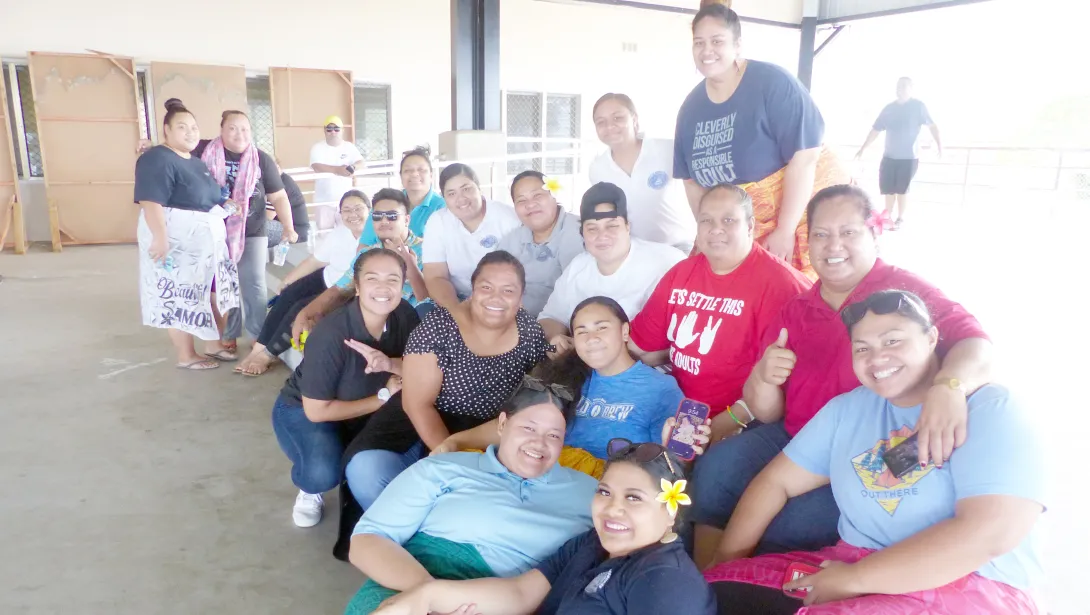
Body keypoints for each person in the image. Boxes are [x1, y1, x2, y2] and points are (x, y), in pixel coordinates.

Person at [689, 184, 992, 568]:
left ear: (873, 234)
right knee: (717, 470)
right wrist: (764, 378)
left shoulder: (904, 293)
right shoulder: (797, 308)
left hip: (874, 449)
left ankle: (746, 581)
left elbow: (977, 344)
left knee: (786, 524)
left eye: (848, 233)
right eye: (821, 235)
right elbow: (765, 411)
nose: (833, 246)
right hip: (796, 434)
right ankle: (706, 579)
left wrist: (950, 388)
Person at [706, 290, 1045, 615]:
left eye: (893, 341)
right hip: (852, 562)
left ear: (931, 338)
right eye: (862, 348)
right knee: (708, 591)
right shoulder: (847, 410)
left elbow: (989, 534)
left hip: (971, 585)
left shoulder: (991, 408)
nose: (877, 358)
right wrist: (726, 558)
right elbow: (775, 482)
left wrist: (856, 579)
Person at [344, 374, 597, 614]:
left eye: (553, 435)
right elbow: (368, 539)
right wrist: (432, 596)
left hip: (510, 600)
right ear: (502, 424)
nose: (539, 443)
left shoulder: (590, 492)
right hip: (412, 580)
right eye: (529, 428)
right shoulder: (443, 468)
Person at [371, 440, 716, 615]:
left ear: (671, 512)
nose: (613, 508)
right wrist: (425, 597)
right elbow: (520, 593)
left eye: (635, 498)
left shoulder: (666, 580)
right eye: (605, 492)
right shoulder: (591, 544)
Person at [341, 250, 550, 510]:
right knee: (368, 472)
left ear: (521, 297)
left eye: (508, 290)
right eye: (486, 287)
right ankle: (397, 539)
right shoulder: (438, 328)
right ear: (473, 290)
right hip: (421, 424)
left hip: (487, 434)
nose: (496, 297)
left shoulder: (529, 331)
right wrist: (453, 461)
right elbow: (417, 405)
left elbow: (538, 398)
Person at [433, 296, 706, 478]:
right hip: (539, 474)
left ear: (625, 332)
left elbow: (670, 468)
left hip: (600, 489)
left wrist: (678, 448)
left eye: (601, 328)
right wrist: (457, 441)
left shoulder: (660, 389)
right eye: (582, 331)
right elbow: (518, 425)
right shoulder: (563, 376)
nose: (592, 338)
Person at [674, 2, 849, 277]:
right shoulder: (690, 109)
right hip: (736, 228)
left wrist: (785, 230)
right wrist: (709, 230)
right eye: (699, 42)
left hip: (796, 219)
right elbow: (690, 181)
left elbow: (805, 158)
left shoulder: (772, 83)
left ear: (738, 45)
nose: (707, 50)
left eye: (717, 41)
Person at [627, 184, 811, 438]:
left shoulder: (782, 286)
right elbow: (639, 346)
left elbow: (776, 388)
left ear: (750, 227)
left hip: (742, 419)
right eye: (706, 220)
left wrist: (718, 429)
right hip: (673, 406)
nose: (716, 229)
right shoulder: (681, 273)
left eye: (728, 219)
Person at [270, 248, 420, 528]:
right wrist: (381, 398)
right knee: (323, 472)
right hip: (304, 410)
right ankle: (309, 488)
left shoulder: (404, 314)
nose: (383, 288)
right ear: (358, 285)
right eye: (372, 278)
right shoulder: (331, 334)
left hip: (367, 404)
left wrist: (389, 363)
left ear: (403, 285)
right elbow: (316, 410)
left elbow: (418, 366)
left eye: (392, 279)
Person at [133, 99, 239, 370]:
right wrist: (160, 237)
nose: (190, 132)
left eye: (194, 127)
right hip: (177, 244)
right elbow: (150, 200)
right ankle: (186, 355)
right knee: (181, 296)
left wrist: (224, 204)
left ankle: (212, 343)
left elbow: (203, 197)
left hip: (206, 245)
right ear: (166, 130)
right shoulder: (156, 157)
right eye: (182, 127)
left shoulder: (195, 161)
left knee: (212, 292)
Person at [191, 108, 297, 356]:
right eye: (233, 128)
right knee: (226, 284)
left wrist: (289, 228)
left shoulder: (261, 159)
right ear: (221, 130)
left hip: (252, 230)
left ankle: (259, 335)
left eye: (245, 129)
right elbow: (176, 151)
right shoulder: (203, 151)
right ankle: (229, 334)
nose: (240, 133)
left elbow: (279, 196)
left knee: (254, 283)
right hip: (214, 231)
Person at [538, 182, 685, 357]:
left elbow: (690, 337)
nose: (602, 236)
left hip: (649, 374)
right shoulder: (577, 267)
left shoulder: (669, 262)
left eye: (612, 226)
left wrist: (627, 362)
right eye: (592, 228)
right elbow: (550, 317)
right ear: (582, 233)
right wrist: (557, 338)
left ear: (627, 226)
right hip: (586, 368)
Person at [235, 190, 370, 376]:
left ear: (369, 211)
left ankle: (267, 355)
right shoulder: (339, 233)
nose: (352, 214)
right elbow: (315, 261)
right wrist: (288, 279)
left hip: (343, 290)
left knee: (300, 308)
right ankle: (258, 349)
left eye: (358, 209)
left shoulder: (374, 237)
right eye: (346, 210)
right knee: (288, 294)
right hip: (327, 276)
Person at [284, 189, 431, 349]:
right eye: (377, 216)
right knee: (314, 321)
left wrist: (411, 270)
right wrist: (304, 314)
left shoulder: (429, 250)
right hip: (370, 325)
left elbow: (431, 304)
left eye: (392, 216)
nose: (384, 221)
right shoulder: (367, 253)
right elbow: (340, 289)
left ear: (407, 220)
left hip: (414, 329)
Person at [589, 93, 696, 253]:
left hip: (680, 249)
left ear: (634, 120)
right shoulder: (597, 169)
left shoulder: (669, 150)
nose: (610, 127)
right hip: (633, 254)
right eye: (601, 122)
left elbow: (699, 189)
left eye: (617, 118)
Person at [421, 163, 520, 308]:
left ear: (479, 188)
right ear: (444, 198)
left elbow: (523, 274)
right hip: (457, 299)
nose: (461, 199)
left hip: (503, 298)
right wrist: (458, 312)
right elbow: (435, 277)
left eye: (466, 189)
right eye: (451, 193)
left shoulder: (508, 218)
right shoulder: (438, 221)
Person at [854, 77, 943, 227]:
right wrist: (863, 148)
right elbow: (875, 130)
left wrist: (940, 145)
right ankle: (887, 216)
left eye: (903, 86)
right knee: (888, 188)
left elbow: (932, 126)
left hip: (908, 158)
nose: (900, 89)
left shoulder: (918, 106)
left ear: (911, 88)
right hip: (889, 156)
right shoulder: (889, 109)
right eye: (898, 86)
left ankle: (900, 218)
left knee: (902, 189)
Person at [497, 170, 584, 317]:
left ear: (553, 196)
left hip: (559, 324)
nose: (530, 204)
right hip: (509, 321)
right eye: (521, 200)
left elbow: (579, 296)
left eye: (537, 195)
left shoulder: (579, 232)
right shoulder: (511, 241)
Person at [357, 147, 446, 245]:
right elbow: (364, 246)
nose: (414, 174)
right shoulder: (385, 204)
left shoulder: (443, 208)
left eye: (421, 169)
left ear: (431, 176)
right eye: (408, 170)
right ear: (400, 176)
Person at [310, 115, 364, 211]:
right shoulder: (317, 147)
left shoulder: (349, 147)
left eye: (336, 129)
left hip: (347, 200)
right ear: (324, 130)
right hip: (323, 201)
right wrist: (338, 170)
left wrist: (353, 168)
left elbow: (361, 162)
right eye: (329, 129)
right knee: (324, 226)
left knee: (347, 225)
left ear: (342, 130)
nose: (333, 132)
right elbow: (316, 166)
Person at [266, 159, 310, 245]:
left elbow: (267, 217)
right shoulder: (281, 179)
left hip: (295, 233)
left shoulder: (279, 185)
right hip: (289, 230)